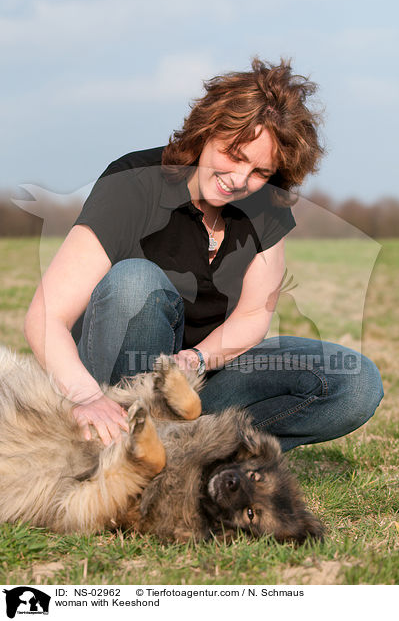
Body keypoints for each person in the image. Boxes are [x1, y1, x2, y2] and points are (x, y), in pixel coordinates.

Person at [24, 58, 383, 449]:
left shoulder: (268, 205)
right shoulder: (132, 183)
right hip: (115, 385)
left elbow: (250, 316)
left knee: (355, 382)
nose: (240, 180)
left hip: (200, 381)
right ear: (206, 131)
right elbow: (46, 317)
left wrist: (196, 359)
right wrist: (87, 398)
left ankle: (190, 446)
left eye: (261, 172)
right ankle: (128, 439)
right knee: (135, 281)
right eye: (234, 154)